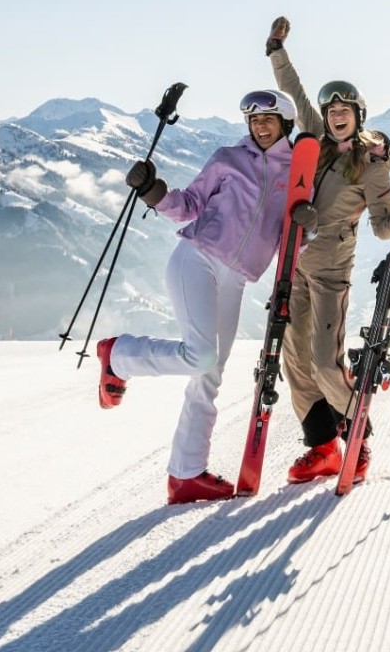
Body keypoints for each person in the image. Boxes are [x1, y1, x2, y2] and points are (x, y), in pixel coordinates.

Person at [96, 88, 307, 505]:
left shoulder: (297, 173)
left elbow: (290, 244)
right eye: (253, 120)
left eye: (267, 120)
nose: (260, 126)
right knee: (200, 355)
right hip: (197, 258)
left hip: (238, 277)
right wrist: (152, 190)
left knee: (209, 374)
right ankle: (118, 356)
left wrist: (308, 226)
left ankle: (186, 474)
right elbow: (189, 204)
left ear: (285, 123)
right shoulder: (228, 158)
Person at [264, 16, 390, 485]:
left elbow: (383, 227)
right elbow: (294, 93)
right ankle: (321, 448)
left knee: (323, 361)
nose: (335, 116)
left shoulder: (369, 163)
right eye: (330, 110)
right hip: (293, 262)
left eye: (344, 110)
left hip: (331, 269)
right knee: (293, 361)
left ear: (358, 115)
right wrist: (276, 50)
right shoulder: (314, 137)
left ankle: (357, 434)